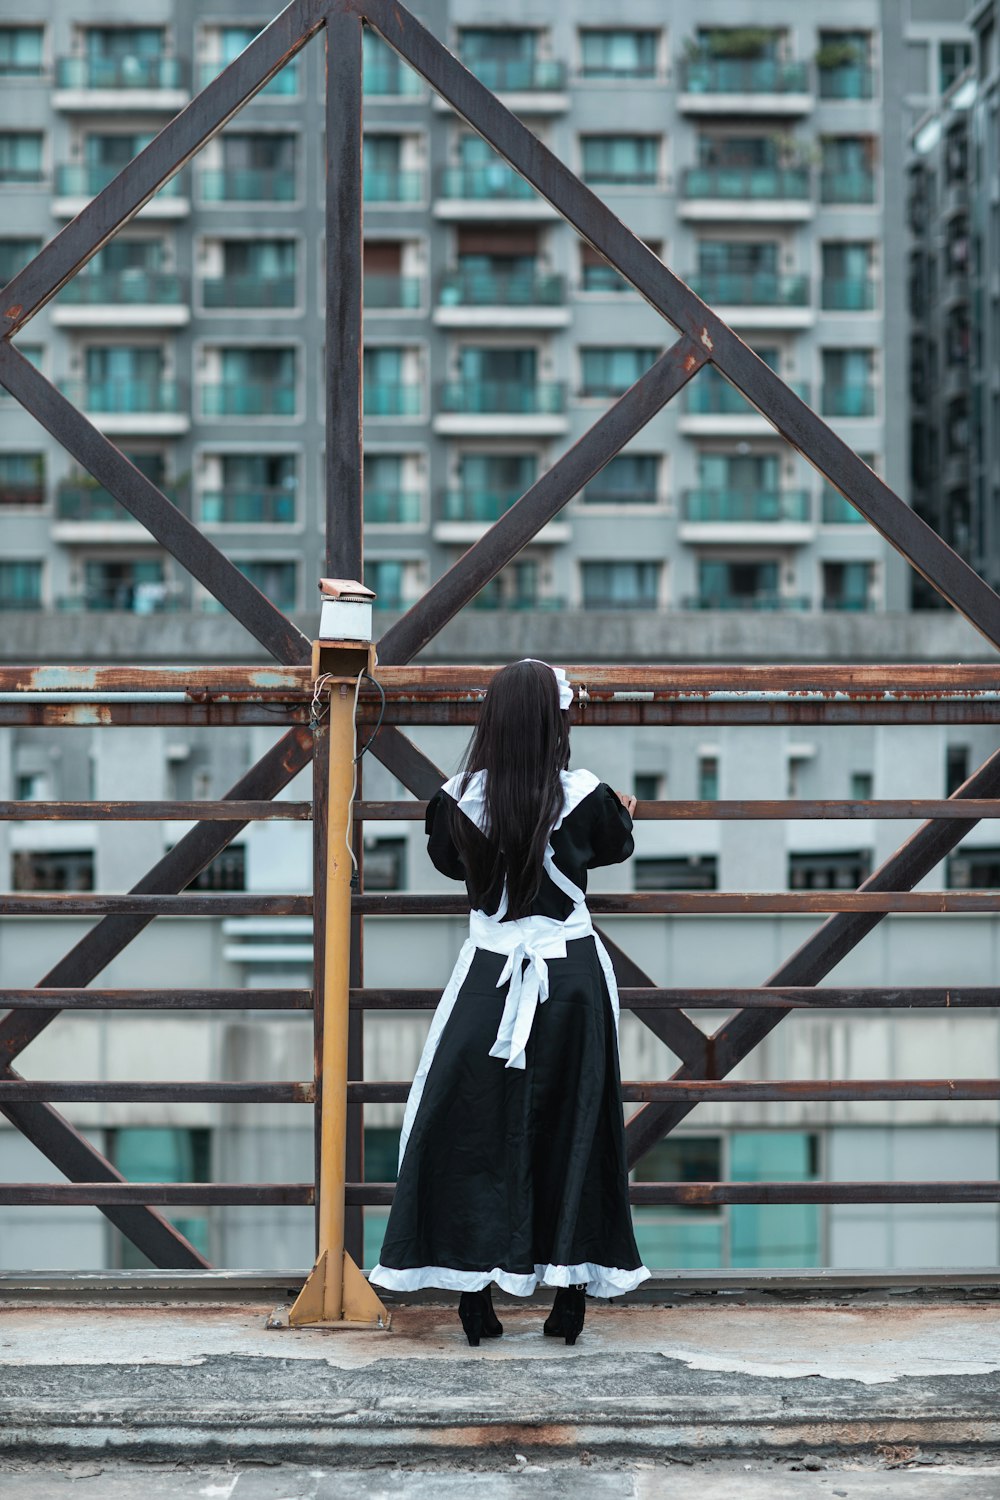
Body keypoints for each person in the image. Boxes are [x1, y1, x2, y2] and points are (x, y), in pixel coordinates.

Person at [369, 658, 650, 1345]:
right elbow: (615, 843)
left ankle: (474, 1296)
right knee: (575, 1123)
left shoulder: (455, 800)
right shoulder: (589, 798)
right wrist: (622, 809)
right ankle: (571, 1296)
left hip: (490, 974)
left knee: (468, 1125)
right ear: (558, 720)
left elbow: (448, 861)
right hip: (573, 979)